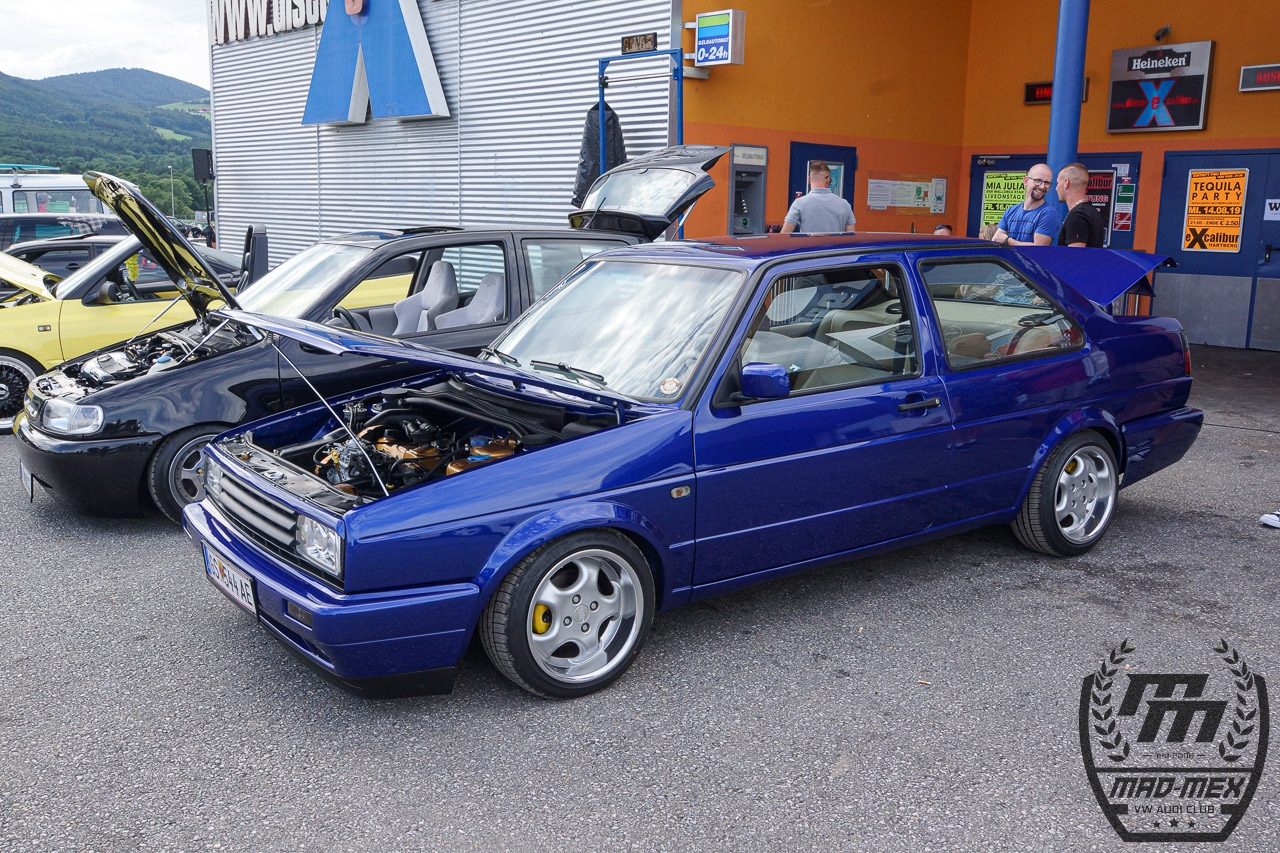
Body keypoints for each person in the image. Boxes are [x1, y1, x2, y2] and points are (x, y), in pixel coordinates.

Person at [991, 164, 1059, 246]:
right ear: (1026, 181)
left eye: (1047, 183)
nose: (1042, 186)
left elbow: (1039, 248)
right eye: (1038, 180)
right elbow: (995, 240)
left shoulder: (1048, 213)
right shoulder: (1011, 211)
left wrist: (1008, 241)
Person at [781, 161, 856, 234]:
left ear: (809, 179)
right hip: (835, 243)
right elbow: (851, 236)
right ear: (828, 179)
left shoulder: (799, 203)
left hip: (809, 243)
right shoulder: (844, 204)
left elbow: (784, 235)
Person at [1056, 162, 1105, 247]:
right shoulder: (1092, 212)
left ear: (1066, 183)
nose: (1056, 188)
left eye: (1058, 183)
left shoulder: (1077, 216)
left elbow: (1076, 253)